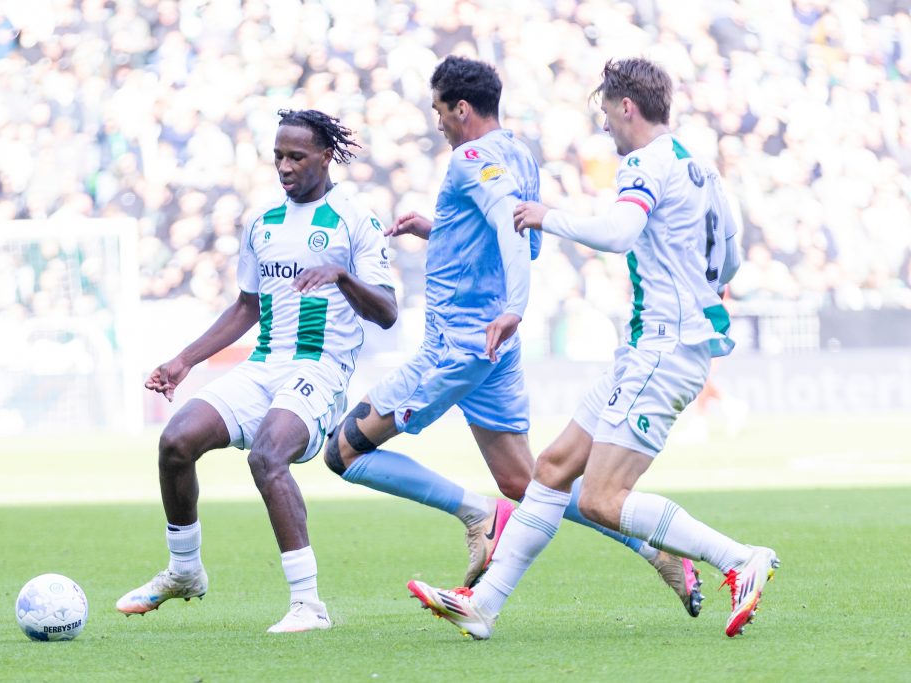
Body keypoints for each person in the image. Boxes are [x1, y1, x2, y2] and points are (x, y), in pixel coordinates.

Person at [408, 57, 777, 640]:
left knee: (605, 498)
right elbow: (729, 258)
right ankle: (483, 606)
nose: (604, 124)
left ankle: (739, 559)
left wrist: (547, 217)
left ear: (626, 106)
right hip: (652, 347)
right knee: (552, 469)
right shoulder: (699, 166)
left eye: (605, 112)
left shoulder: (643, 164)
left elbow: (620, 233)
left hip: (663, 348)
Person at [325, 55, 702, 615]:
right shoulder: (520, 155)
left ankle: (475, 513)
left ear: (461, 108)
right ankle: (656, 548)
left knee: (342, 453)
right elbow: (524, 236)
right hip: (492, 349)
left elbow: (509, 226)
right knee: (527, 482)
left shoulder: (469, 158)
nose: (437, 122)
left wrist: (515, 308)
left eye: (439, 110)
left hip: (455, 347)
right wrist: (441, 231)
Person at [116, 109, 398, 633]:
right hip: (263, 364)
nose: (284, 167)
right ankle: (184, 571)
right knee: (176, 441)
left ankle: (308, 606)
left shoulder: (355, 218)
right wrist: (183, 361)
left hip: (321, 368)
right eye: (278, 157)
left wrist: (342, 276)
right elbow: (246, 307)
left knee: (268, 456)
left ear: (326, 156)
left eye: (296, 157)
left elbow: (386, 311)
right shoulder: (262, 221)